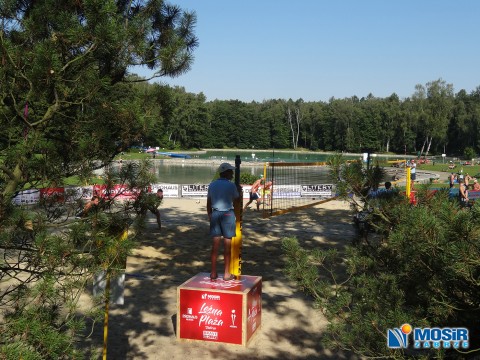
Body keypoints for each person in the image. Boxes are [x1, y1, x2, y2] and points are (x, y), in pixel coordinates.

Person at [207, 163, 241, 281]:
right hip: (227, 214)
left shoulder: (212, 184)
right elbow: (237, 200)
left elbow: (208, 201)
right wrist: (239, 192)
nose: (232, 174)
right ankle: (226, 273)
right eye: (230, 172)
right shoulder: (231, 186)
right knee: (227, 246)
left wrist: (210, 215)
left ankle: (213, 272)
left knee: (215, 246)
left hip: (215, 213)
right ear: (225, 172)